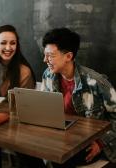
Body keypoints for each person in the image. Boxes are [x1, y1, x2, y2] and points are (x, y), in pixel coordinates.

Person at [0, 25, 45, 168]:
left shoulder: (24, 72)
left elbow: (25, 109)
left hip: (13, 125)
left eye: (13, 43)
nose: (8, 47)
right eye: (3, 43)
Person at [41, 27, 116, 167]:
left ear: (68, 56)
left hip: (88, 142)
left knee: (60, 158)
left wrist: (101, 142)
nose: (45, 60)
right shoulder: (48, 75)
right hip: (60, 139)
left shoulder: (96, 82)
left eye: (50, 55)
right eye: (45, 54)